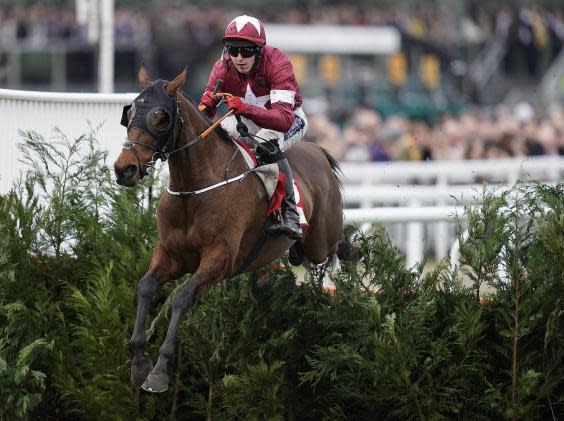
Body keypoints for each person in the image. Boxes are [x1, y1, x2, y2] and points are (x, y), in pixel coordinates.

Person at [199, 15, 307, 240]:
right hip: (246, 119)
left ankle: (291, 213)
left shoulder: (278, 63)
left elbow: (283, 119)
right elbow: (204, 116)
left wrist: (246, 109)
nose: (238, 58)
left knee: (267, 144)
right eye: (233, 50)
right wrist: (206, 108)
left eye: (246, 51)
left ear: (259, 50)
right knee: (215, 136)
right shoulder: (222, 67)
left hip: (288, 119)